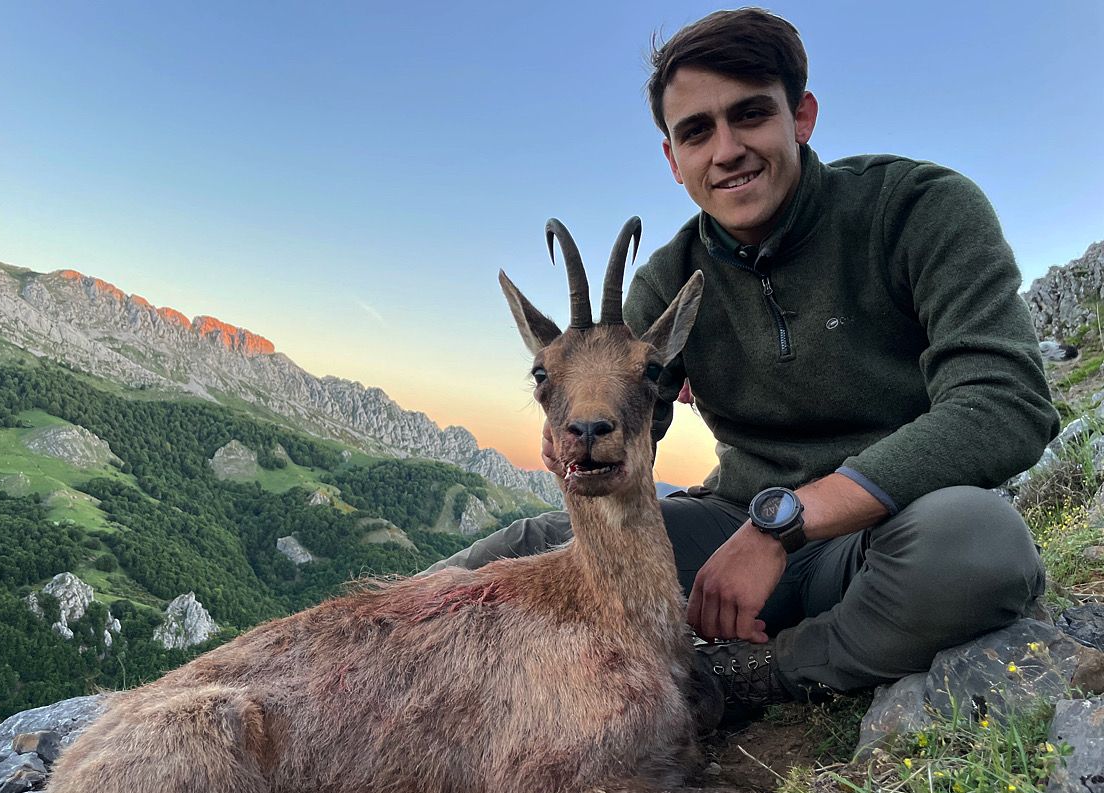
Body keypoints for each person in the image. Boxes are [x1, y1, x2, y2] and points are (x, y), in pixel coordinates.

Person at [426, 8, 1059, 712]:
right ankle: (342, 658)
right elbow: (624, 422)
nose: (726, 150)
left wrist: (780, 525)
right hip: (727, 528)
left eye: (750, 115)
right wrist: (572, 430)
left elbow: (1004, 403)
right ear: (673, 159)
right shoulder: (668, 279)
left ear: (803, 116)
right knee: (525, 546)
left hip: (883, 535)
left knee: (978, 544)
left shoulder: (917, 210)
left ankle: (753, 675)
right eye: (696, 131)